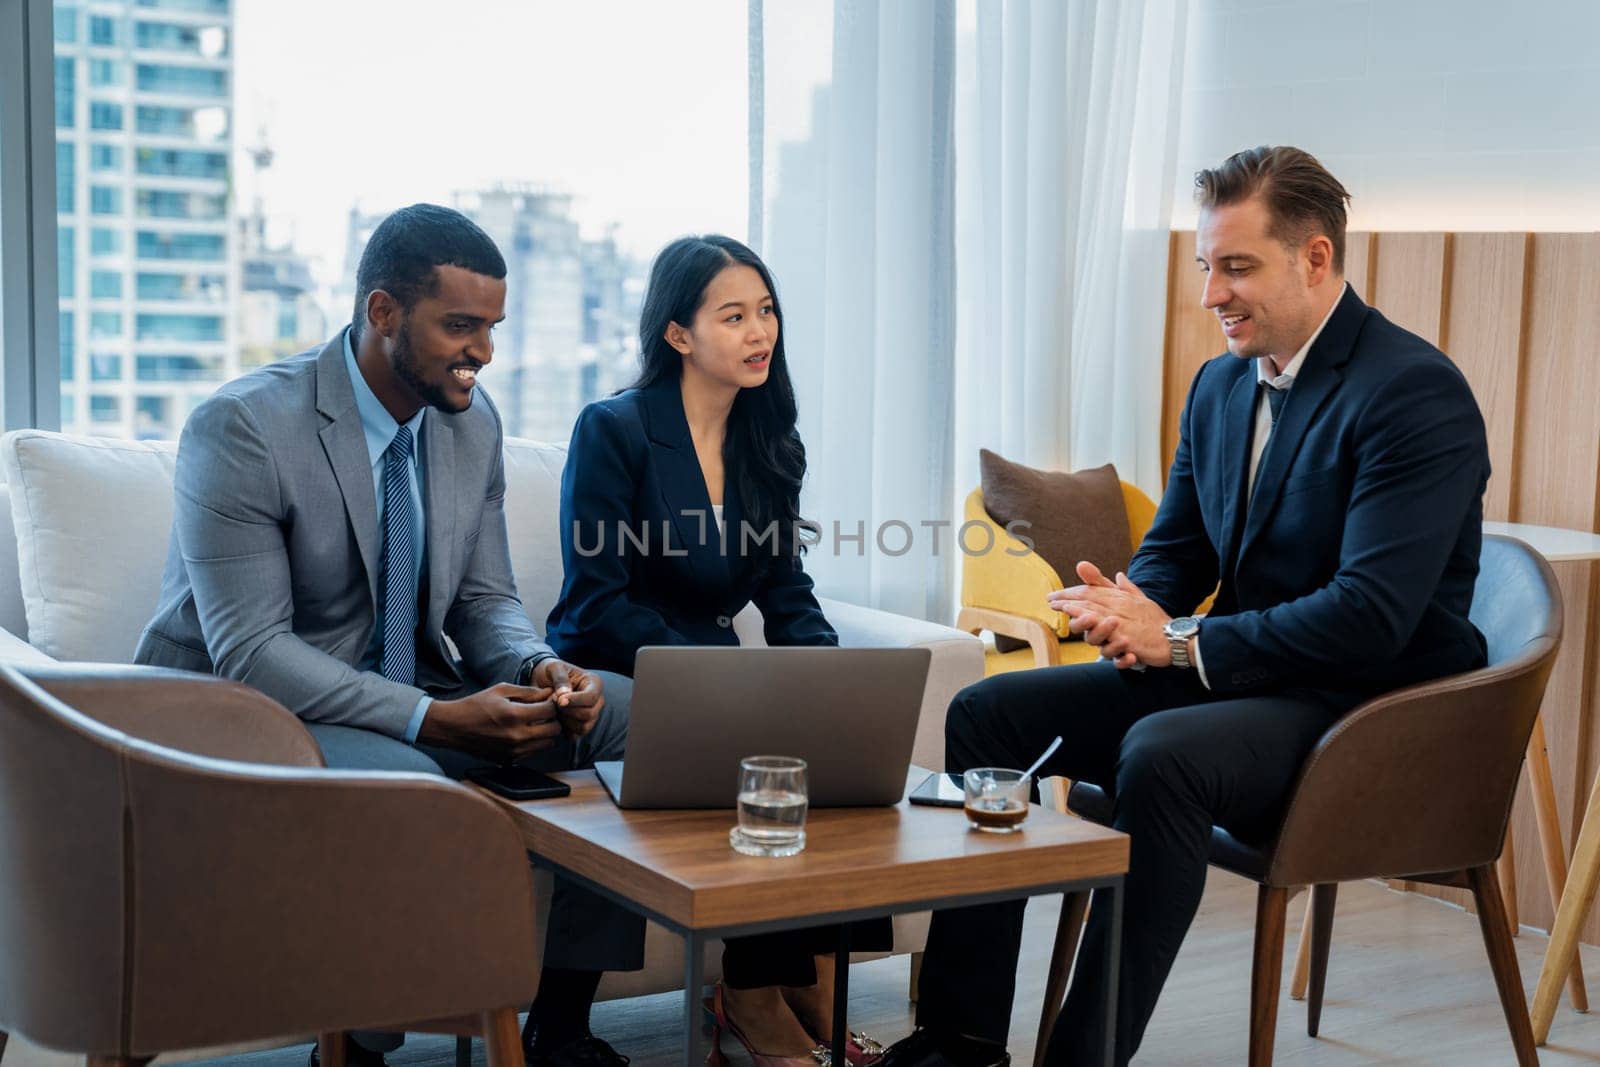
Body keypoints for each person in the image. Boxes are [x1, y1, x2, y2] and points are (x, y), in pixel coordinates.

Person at [877, 146, 1492, 1067]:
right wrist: (1126, 604)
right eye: (1208, 265)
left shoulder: (1413, 392)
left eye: (1237, 266)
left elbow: (1370, 615)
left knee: (1160, 755)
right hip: (1247, 675)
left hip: (1362, 706)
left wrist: (1177, 641)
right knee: (985, 714)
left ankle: (1083, 1057)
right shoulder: (1219, 387)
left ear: (1316, 258)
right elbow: (1179, 550)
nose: (1212, 293)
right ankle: (959, 1041)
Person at [135, 204, 644, 1067]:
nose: (483, 349)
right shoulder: (245, 427)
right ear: (383, 313)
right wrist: (438, 720)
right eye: (460, 325)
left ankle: (561, 1027)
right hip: (245, 715)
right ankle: (356, 1052)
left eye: (492, 326)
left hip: (405, 690)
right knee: (413, 782)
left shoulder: (470, 424)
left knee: (635, 715)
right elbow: (252, 652)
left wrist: (540, 665)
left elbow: (484, 601)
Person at [546, 234, 890, 1065]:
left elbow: (784, 589)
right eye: (732, 315)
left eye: (765, 310)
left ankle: (796, 977)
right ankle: (752, 993)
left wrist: (830, 674)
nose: (758, 331)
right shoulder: (615, 430)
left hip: (716, 676)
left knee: (829, 741)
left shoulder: (770, 442)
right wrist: (719, 675)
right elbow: (594, 602)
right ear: (678, 334)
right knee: (762, 743)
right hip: (616, 666)